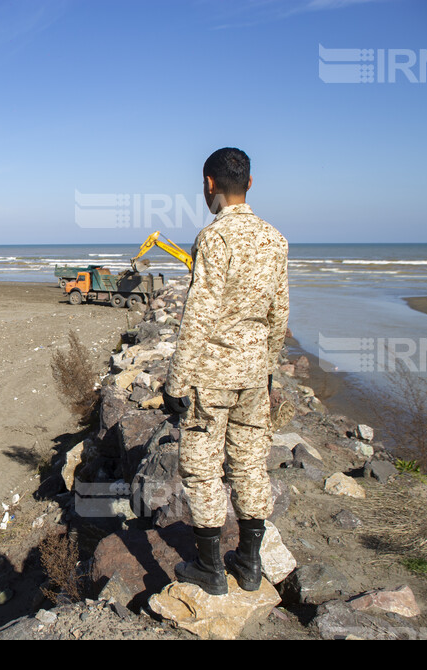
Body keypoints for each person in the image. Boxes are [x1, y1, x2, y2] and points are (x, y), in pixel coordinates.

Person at [163, 147, 289, 596]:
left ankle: (210, 568)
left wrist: (176, 381)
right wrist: (269, 367)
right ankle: (250, 564)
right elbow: (279, 313)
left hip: (211, 375)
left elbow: (199, 314)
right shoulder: (275, 239)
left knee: (201, 469)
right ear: (250, 183)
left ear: (210, 185)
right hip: (255, 372)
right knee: (251, 464)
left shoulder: (214, 238)